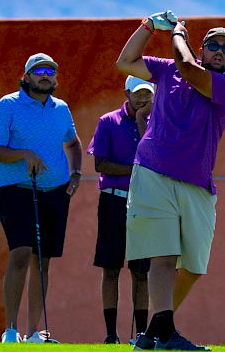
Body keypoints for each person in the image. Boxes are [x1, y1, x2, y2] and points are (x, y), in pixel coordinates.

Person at [116, 10, 225, 351]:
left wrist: (178, 33)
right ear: (202, 49)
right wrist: (147, 26)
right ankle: (165, 333)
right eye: (212, 45)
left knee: (193, 266)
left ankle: (157, 332)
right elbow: (126, 61)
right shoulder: (166, 68)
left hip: (196, 183)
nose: (219, 51)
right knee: (163, 256)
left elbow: (188, 69)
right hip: (152, 171)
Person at [0, 53, 83, 344]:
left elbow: (74, 143)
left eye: (51, 71)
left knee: (42, 261)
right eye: (39, 71)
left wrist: (76, 173)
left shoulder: (61, 108)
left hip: (55, 192)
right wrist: (25, 154)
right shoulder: (7, 105)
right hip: (17, 189)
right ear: (26, 76)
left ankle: (33, 334)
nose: (46, 75)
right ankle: (11, 330)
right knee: (19, 254)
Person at [87, 75, 155, 344]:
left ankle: (140, 334)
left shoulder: (158, 122)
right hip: (113, 201)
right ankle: (110, 335)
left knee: (141, 271)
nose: (142, 99)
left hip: (144, 202)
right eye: (137, 94)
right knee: (111, 268)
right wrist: (137, 169)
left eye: (147, 95)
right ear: (126, 93)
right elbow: (101, 164)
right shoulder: (108, 121)